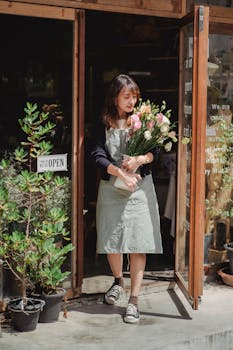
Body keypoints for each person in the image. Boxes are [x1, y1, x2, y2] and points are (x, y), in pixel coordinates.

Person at [91, 74, 162, 324]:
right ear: (115, 97)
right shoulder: (104, 121)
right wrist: (120, 171)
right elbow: (98, 154)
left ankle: (134, 300)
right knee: (113, 237)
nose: (132, 101)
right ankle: (118, 281)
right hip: (112, 187)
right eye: (126, 96)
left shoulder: (144, 120)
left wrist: (139, 160)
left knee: (138, 241)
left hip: (140, 188)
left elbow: (155, 150)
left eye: (134, 96)